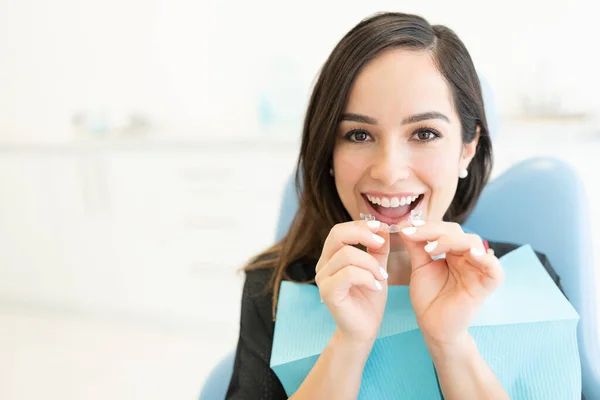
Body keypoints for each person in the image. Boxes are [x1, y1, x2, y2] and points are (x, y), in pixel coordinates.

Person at [226, 11, 567, 399]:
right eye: (358, 134)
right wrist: (348, 345)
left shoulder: (532, 280)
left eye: (424, 133)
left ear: (466, 149)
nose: (389, 171)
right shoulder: (272, 287)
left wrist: (450, 345)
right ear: (329, 155)